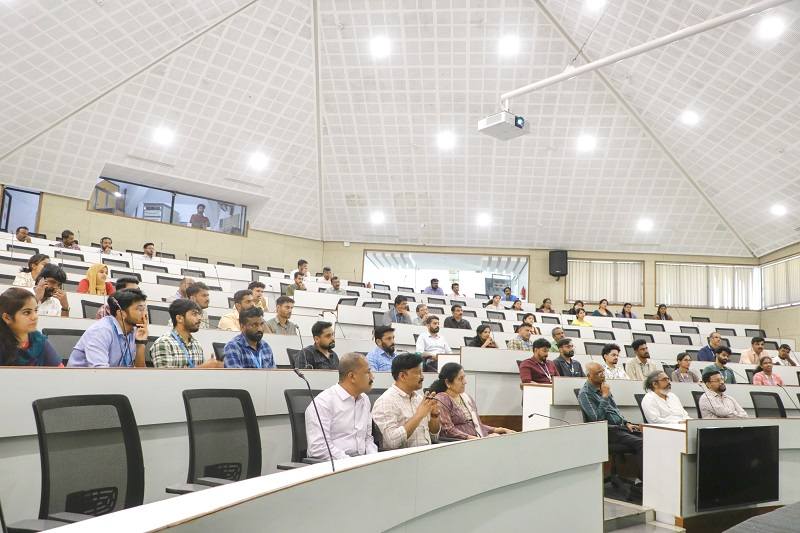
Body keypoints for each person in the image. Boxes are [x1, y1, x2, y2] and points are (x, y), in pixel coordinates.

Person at [305, 353, 378, 459]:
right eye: (368, 372)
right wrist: (350, 463)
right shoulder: (323, 403)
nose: (372, 377)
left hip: (361, 464)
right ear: (352, 376)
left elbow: (367, 438)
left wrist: (374, 460)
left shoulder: (364, 399)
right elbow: (318, 448)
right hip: (336, 467)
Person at [578, 362, 642, 476]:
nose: (603, 375)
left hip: (620, 427)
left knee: (651, 437)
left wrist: (626, 422)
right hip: (606, 430)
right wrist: (605, 397)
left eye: (603, 371)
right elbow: (597, 420)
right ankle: (643, 481)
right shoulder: (585, 394)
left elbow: (615, 410)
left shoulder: (604, 387)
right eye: (598, 373)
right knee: (641, 443)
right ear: (589, 376)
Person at [371, 353, 441, 449]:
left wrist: (434, 416)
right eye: (418, 373)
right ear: (402, 376)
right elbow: (392, 442)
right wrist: (418, 416)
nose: (422, 377)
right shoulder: (385, 401)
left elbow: (434, 437)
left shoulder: (419, 398)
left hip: (427, 455)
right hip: (403, 460)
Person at [431, 363, 514, 439]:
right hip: (460, 444)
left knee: (505, 437)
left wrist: (497, 429)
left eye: (464, 377)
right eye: (460, 379)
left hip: (476, 439)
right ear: (447, 382)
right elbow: (448, 430)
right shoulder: (442, 399)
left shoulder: (467, 398)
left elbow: (477, 425)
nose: (465, 382)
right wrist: (474, 439)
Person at [67, 289, 149, 367]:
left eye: (145, 309)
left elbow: (140, 372)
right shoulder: (101, 331)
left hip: (112, 379)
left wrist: (140, 343)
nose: (145, 314)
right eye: (140, 309)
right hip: (80, 379)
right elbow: (101, 372)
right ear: (121, 314)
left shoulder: (135, 330)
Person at [150, 299, 222, 368]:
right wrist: (204, 367)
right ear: (179, 318)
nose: (199, 318)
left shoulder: (196, 344)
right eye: (194, 314)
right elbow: (165, 377)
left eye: (199, 314)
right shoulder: (163, 343)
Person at [0, 288, 61, 366]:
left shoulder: (39, 339)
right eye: (27, 312)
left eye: (35, 310)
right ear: (7, 318)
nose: (35, 317)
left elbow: (60, 372)